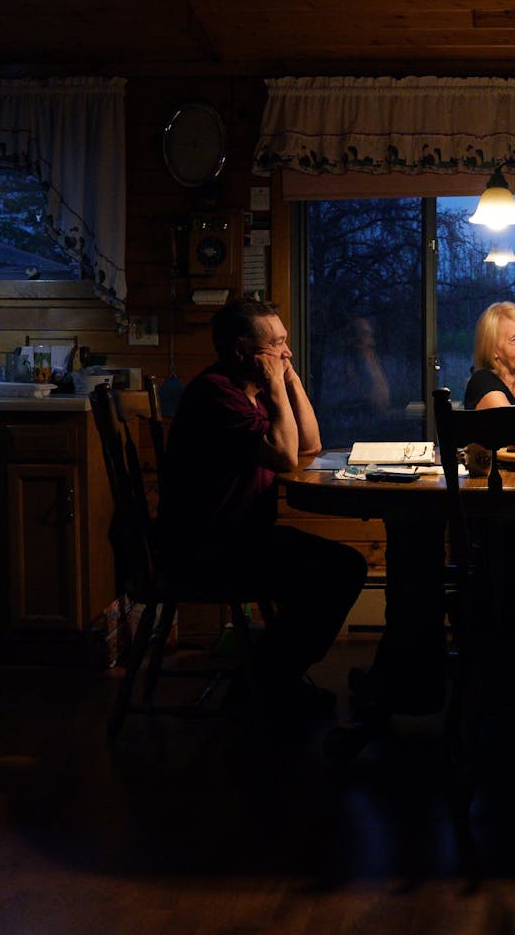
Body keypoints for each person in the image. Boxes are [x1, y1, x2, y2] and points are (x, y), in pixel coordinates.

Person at [157, 298, 367, 718]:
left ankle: (269, 682)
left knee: (339, 568)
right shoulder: (217, 393)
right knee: (340, 571)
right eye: (276, 345)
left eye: (286, 342)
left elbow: (309, 445)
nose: (287, 352)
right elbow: (286, 458)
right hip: (208, 549)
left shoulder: (250, 393)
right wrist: (275, 386)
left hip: (239, 537)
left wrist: (289, 381)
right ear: (240, 351)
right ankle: (267, 687)